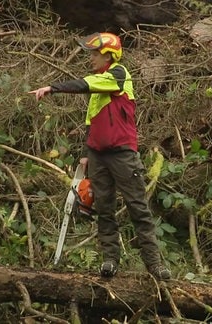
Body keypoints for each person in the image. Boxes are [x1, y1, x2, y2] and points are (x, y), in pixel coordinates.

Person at [29, 32, 171, 280]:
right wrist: (86, 153)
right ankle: (110, 261)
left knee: (138, 208)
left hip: (123, 154)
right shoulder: (98, 85)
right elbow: (90, 122)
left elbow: (84, 84)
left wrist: (53, 87)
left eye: (95, 54)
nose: (91, 59)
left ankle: (155, 265)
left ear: (108, 55)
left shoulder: (118, 75)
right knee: (104, 208)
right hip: (97, 155)